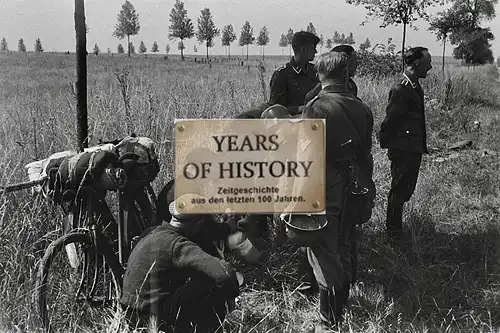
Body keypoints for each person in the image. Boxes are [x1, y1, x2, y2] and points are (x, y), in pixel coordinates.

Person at [299, 51, 374, 331]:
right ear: (344, 75)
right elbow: (366, 154)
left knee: (322, 252)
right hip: (354, 186)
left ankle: (327, 321)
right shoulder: (361, 107)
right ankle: (339, 308)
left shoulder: (316, 107)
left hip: (324, 187)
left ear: (320, 74)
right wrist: (367, 185)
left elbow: (306, 157)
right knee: (343, 245)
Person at [120, 195, 241, 333]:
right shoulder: (177, 244)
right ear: (199, 222)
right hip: (154, 319)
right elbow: (225, 273)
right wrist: (231, 296)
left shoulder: (150, 232)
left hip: (130, 317)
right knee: (209, 281)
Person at [379, 46, 432, 245]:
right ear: (417, 64)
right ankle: (393, 235)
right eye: (428, 63)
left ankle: (395, 231)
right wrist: (387, 144)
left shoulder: (414, 86)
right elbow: (390, 120)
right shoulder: (401, 88)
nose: (430, 67)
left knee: (405, 190)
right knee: (398, 192)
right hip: (403, 149)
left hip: (412, 148)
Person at [269, 31, 320, 116]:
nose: (316, 51)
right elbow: (275, 108)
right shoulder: (281, 75)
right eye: (313, 48)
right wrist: (298, 108)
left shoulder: (316, 71)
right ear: (303, 49)